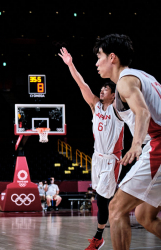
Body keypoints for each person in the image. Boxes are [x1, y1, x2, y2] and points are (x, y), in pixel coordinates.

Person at [93, 34, 161, 250]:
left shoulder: (125, 81)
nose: (96, 63)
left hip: (157, 145)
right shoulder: (144, 76)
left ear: (112, 57)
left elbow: (142, 112)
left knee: (116, 209)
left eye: (99, 57)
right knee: (145, 216)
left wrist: (136, 144)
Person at [59, 47, 125, 249]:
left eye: (106, 89)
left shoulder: (118, 108)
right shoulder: (95, 105)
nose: (101, 90)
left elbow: (122, 84)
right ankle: (113, 222)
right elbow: (81, 83)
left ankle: (99, 237)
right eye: (102, 88)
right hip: (97, 158)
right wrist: (71, 65)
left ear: (114, 95)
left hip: (112, 159)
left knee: (102, 199)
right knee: (104, 200)